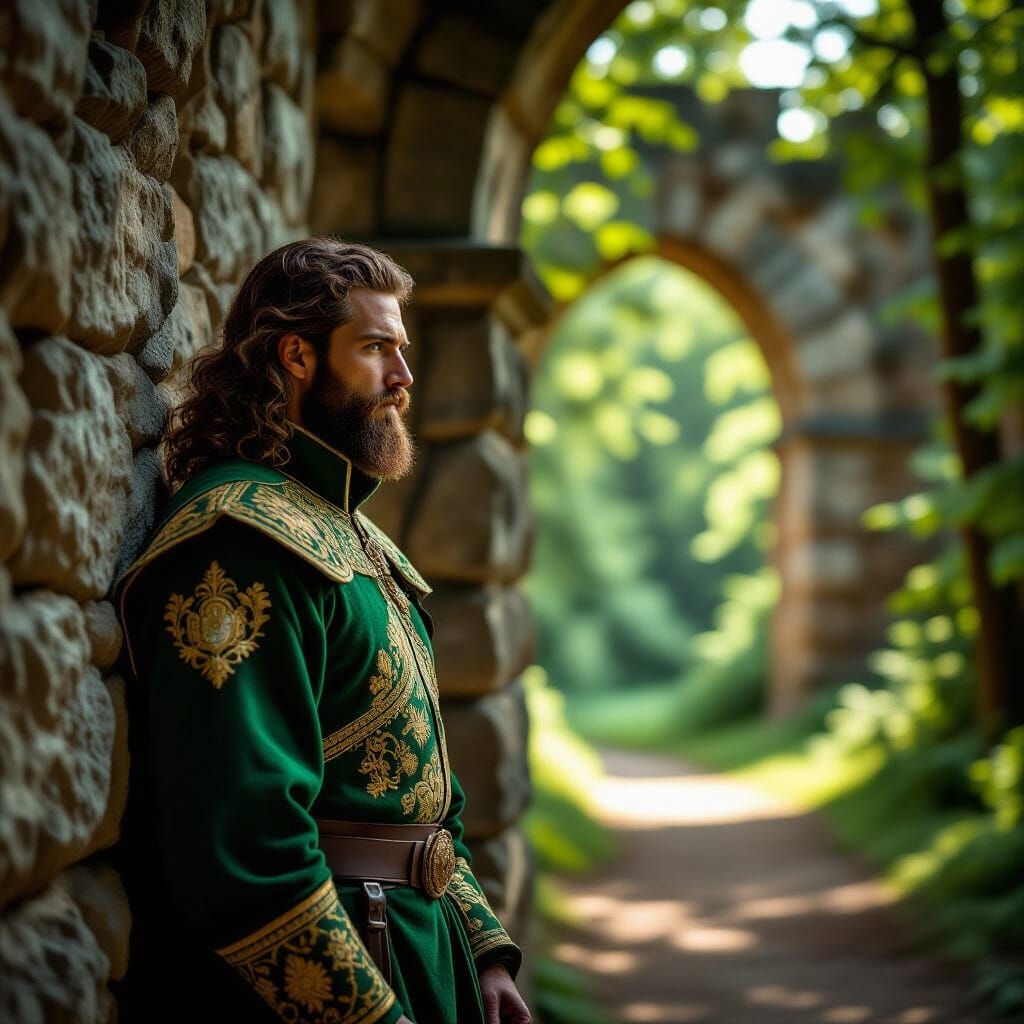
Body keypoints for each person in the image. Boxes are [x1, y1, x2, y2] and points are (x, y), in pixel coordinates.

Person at [114, 237, 532, 1024]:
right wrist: (366, 1016)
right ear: (297, 355)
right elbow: (245, 844)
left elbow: (426, 795)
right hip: (339, 975)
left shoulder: (361, 539)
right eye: (376, 348)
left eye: (400, 350)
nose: (403, 379)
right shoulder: (237, 544)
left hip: (424, 954)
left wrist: (481, 951)